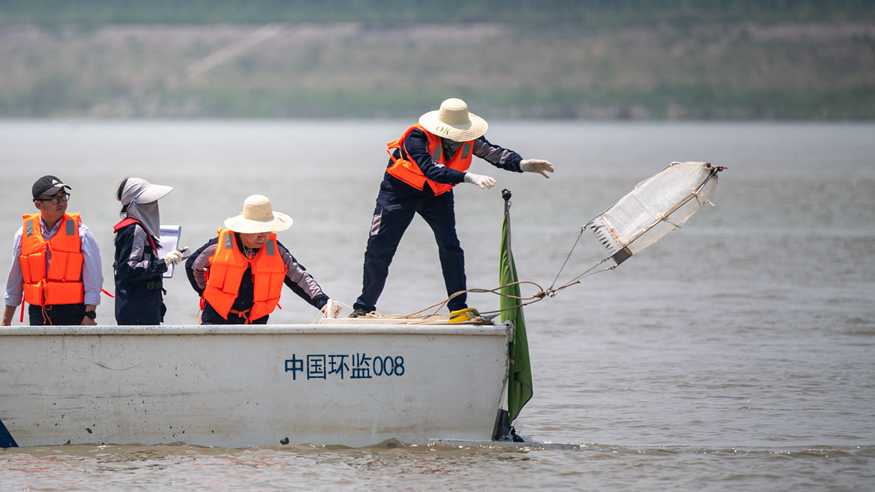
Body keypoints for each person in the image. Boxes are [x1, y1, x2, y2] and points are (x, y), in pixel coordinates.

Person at [351, 98, 555, 322]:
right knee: (379, 247)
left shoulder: (470, 138)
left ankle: (458, 308)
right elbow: (430, 168)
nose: (459, 138)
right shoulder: (416, 137)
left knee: (450, 246)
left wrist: (522, 164)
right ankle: (364, 307)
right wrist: (468, 177)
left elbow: (495, 153)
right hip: (399, 192)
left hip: (437, 195)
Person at [185, 194, 339, 324]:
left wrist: (322, 302)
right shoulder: (217, 246)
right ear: (242, 229)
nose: (262, 236)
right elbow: (193, 266)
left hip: (255, 321)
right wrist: (205, 292)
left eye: (266, 230)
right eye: (256, 230)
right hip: (216, 318)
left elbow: (299, 277)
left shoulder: (276, 250)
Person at [3, 175, 103, 326]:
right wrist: (6, 322)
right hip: (38, 312)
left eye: (63, 196)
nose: (61, 202)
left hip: (74, 311)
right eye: (54, 198)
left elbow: (94, 279)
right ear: (38, 204)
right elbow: (14, 281)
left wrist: (90, 314)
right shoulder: (24, 233)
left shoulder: (81, 232)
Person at [113, 177, 186, 325]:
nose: (154, 205)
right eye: (148, 201)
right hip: (136, 311)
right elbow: (129, 268)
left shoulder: (139, 229)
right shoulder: (135, 229)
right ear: (133, 204)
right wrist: (164, 262)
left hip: (144, 307)